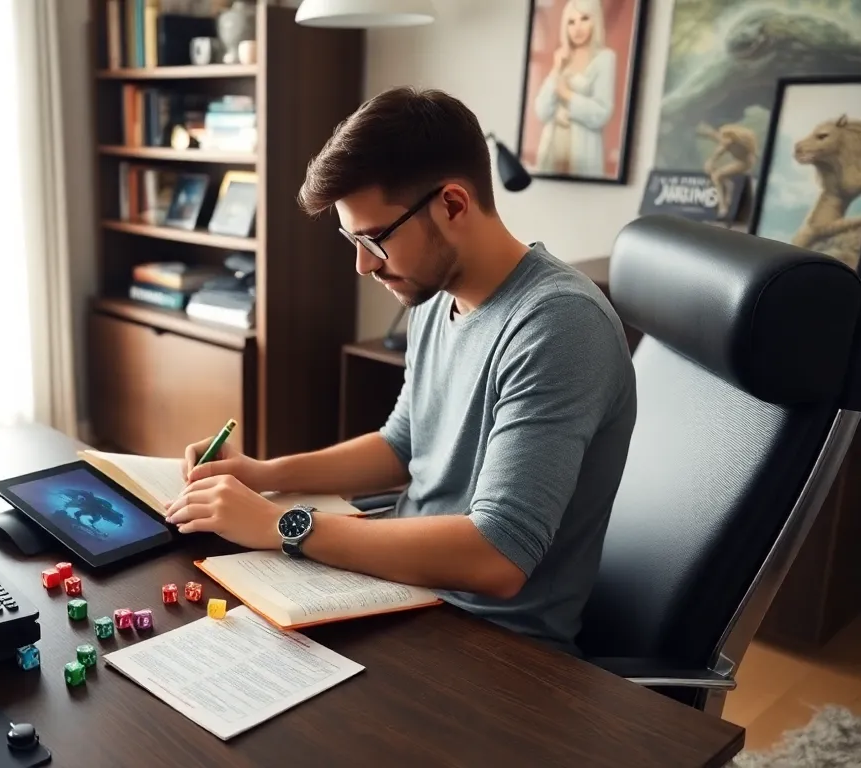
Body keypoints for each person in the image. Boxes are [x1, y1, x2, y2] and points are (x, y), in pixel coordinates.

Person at [166, 86, 637, 654]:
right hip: (403, 594)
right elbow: (403, 444)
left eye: (375, 239)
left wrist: (282, 524)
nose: (363, 264)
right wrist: (263, 474)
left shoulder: (559, 325)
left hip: (493, 645)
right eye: (351, 239)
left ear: (454, 205)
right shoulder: (436, 297)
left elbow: (498, 556)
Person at [532, 0, 616, 177]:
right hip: (552, 151)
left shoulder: (604, 58)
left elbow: (601, 113)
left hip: (584, 153)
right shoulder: (563, 59)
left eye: (584, 19)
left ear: (595, 20)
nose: (577, 28)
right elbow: (541, 111)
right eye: (571, 22)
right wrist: (556, 70)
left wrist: (567, 95)